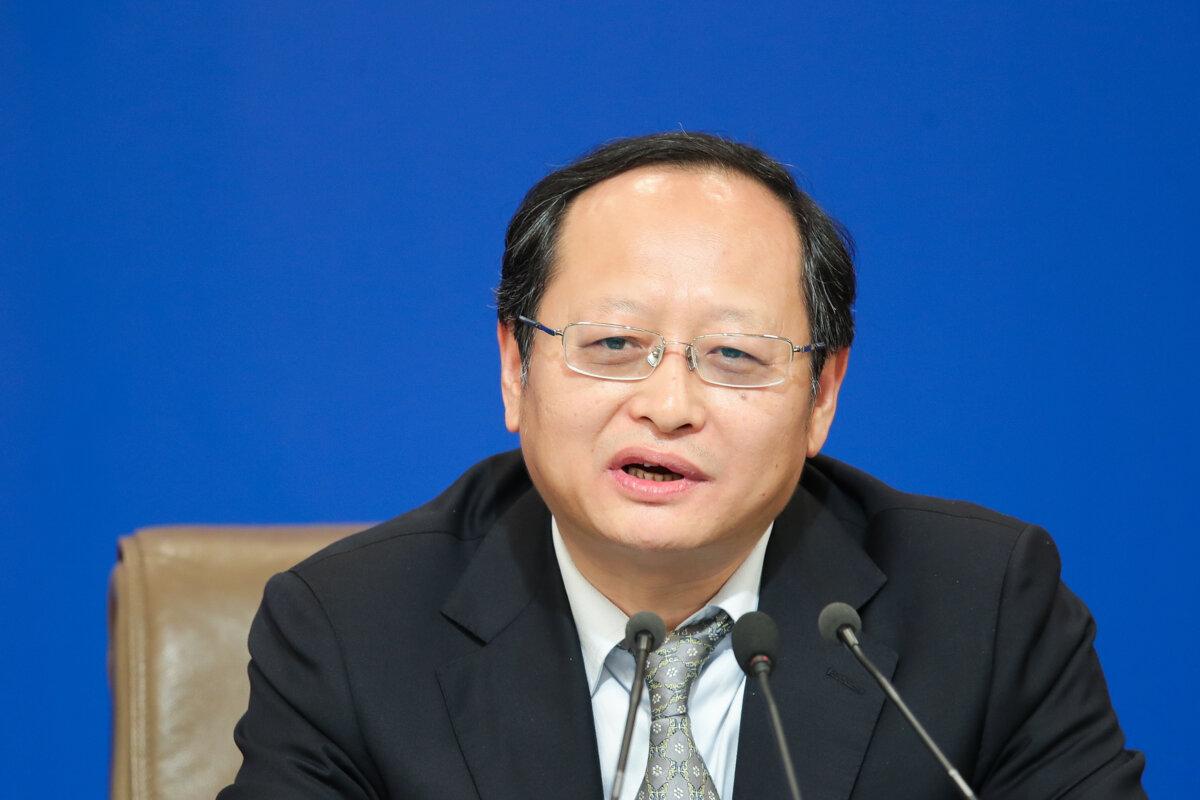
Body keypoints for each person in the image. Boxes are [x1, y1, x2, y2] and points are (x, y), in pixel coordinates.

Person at [218, 132, 1146, 799]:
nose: (668, 406)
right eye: (615, 343)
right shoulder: (351, 630)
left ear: (822, 394)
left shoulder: (981, 606)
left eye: (735, 357)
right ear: (515, 367)